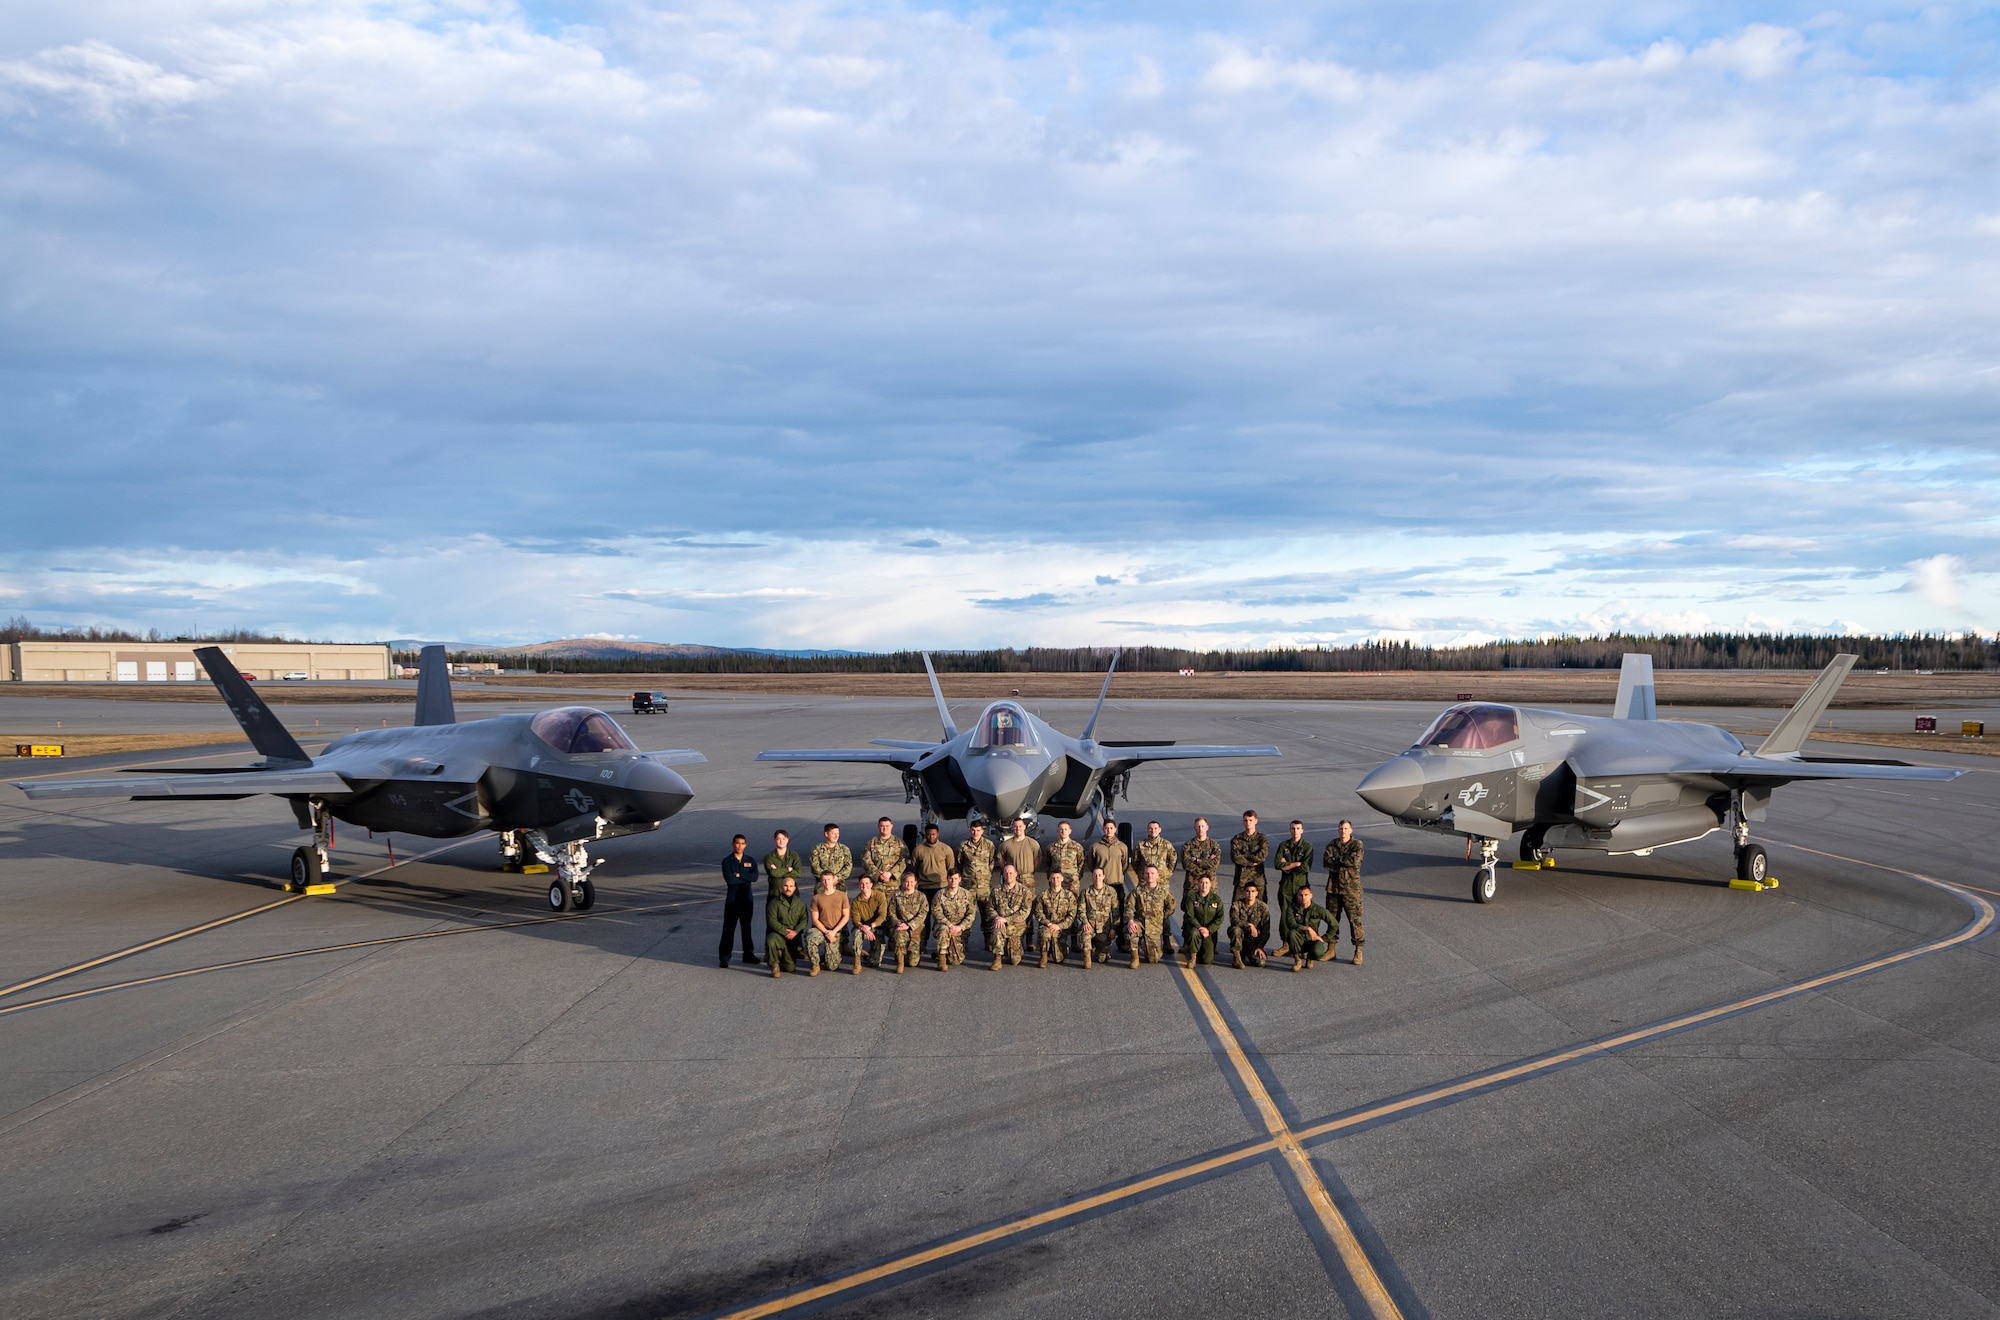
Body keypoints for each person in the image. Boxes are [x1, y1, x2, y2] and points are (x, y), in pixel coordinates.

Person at [1321, 819, 1366, 966]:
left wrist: (1337, 860)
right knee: (1332, 920)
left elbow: (1354, 862)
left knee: (1355, 920)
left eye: (1346, 829)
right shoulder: (1332, 844)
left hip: (1351, 890)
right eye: (1341, 828)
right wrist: (1344, 860)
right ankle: (1331, 949)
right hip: (1333, 889)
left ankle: (1358, 950)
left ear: (1351, 830)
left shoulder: (1357, 844)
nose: (1343, 831)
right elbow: (1326, 862)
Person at [719, 834, 760, 968]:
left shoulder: (750, 860)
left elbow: (754, 877)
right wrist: (745, 877)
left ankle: (748, 954)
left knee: (746, 928)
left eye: (742, 843)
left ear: (745, 845)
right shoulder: (727, 861)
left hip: (746, 899)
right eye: (737, 843)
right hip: (732, 900)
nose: (740, 846)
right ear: (733, 844)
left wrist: (740, 875)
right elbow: (730, 880)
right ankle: (724, 957)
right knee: (728, 929)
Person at [958, 821, 998, 951]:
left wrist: (985, 877)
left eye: (978, 830)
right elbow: (959, 863)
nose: (975, 833)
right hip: (968, 886)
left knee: (986, 915)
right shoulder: (963, 846)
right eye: (973, 830)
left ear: (982, 831)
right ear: (970, 830)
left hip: (983, 887)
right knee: (966, 915)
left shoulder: (989, 845)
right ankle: (963, 942)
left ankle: (988, 941)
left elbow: (991, 863)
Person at [1125, 864, 1173, 968]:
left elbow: (1171, 907)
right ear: (1144, 875)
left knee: (1153, 959)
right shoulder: (1137, 891)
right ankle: (1135, 958)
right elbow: (1129, 907)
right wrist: (1131, 921)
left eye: (1152, 873)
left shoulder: (1164, 893)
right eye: (1147, 873)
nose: (1149, 876)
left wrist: (1160, 917)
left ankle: (1150, 948)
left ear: (1157, 875)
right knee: (1132, 931)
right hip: (1140, 922)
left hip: (1154, 926)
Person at [930, 871, 978, 970]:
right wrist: (950, 925)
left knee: (955, 961)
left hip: (960, 928)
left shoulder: (967, 894)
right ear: (947, 879)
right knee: (943, 931)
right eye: (951, 878)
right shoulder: (940, 894)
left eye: (956, 878)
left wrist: (960, 927)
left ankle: (940, 950)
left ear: (960, 879)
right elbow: (936, 913)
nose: (953, 881)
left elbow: (971, 914)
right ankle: (941, 961)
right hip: (945, 926)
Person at [1283, 885, 1335, 972]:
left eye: (1306, 895)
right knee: (1291, 933)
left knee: (1318, 952)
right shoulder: (1292, 909)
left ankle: (1310, 958)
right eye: (1301, 895)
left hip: (1312, 939)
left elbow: (1334, 924)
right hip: (1298, 939)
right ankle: (1297, 960)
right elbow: (1290, 924)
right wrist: (1306, 928)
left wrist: (1324, 938)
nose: (1303, 897)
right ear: (1297, 896)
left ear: (1311, 895)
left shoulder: (1318, 909)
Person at [806, 873, 849, 976]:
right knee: (810, 937)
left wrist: (833, 932)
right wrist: (826, 932)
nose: (827, 882)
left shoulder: (842, 896)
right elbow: (815, 919)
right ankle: (815, 965)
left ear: (834, 880)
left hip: (836, 931)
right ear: (821, 882)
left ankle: (827, 956)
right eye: (824, 880)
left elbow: (846, 916)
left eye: (829, 879)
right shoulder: (816, 898)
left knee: (832, 966)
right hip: (822, 930)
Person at [765, 875, 808, 976]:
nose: (788, 888)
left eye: (790, 886)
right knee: (771, 940)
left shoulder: (800, 903)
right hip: (779, 934)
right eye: (785, 886)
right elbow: (772, 921)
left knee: (790, 968)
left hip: (793, 937)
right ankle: (774, 964)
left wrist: (796, 931)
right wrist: (784, 931)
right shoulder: (774, 903)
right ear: (781, 887)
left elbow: (804, 920)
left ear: (794, 888)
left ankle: (781, 955)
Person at [1078, 866, 1119, 968]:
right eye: (1095, 875)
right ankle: (1087, 959)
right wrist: (1085, 922)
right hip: (1090, 926)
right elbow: (1081, 910)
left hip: (1104, 928)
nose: (1097, 877)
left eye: (1099, 875)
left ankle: (1097, 947)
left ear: (1104, 876)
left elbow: (1115, 912)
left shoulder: (1111, 892)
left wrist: (1113, 929)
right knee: (1085, 935)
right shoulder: (1086, 892)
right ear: (1092, 876)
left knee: (1101, 959)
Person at [992, 865, 1033, 968]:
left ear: (1016, 875)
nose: (1008, 875)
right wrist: (997, 918)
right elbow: (989, 908)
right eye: (1006, 873)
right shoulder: (996, 890)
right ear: (1003, 875)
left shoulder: (1025, 892)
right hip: (1001, 924)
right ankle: (997, 959)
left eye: (1011, 873)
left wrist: (1006, 919)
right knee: (998, 929)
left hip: (1017, 926)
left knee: (1014, 961)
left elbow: (1025, 911)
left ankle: (1013, 946)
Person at [1034, 870, 1077, 967]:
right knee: (1045, 934)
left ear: (1062, 879)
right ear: (1049, 879)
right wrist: (1048, 924)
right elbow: (1038, 912)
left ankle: (1057, 948)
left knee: (1059, 959)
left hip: (1061, 928)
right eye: (1053, 878)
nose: (1055, 880)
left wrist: (1059, 926)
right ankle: (1043, 956)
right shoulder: (1043, 895)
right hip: (1047, 926)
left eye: (1058, 878)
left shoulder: (1069, 896)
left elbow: (1072, 916)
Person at [888, 872, 930, 973]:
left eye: (911, 882)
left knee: (912, 963)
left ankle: (906, 954)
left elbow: (923, 914)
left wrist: (909, 925)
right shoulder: (897, 895)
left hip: (915, 930)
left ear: (915, 882)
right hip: (900, 927)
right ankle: (900, 963)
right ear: (902, 882)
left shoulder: (921, 896)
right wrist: (898, 923)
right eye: (906, 882)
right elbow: (891, 912)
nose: (909, 884)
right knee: (899, 935)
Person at [849, 873, 889, 972]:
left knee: (874, 963)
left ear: (871, 884)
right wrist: (863, 928)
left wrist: (871, 926)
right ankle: (857, 963)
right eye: (862, 884)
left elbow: (882, 915)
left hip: (877, 926)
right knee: (856, 934)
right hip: (863, 928)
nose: (864, 886)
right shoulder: (856, 901)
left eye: (867, 883)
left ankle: (867, 954)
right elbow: (855, 919)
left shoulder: (880, 896)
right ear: (859, 885)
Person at [1229, 810, 1269, 905]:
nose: (1248, 823)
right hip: (1241, 880)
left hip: (1258, 879)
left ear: (1256, 821)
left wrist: (1245, 855)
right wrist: (1251, 863)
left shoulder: (1262, 839)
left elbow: (1261, 857)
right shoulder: (1237, 839)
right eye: (1246, 820)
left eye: (1250, 820)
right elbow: (1235, 857)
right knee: (1237, 907)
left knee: (1261, 908)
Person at [1181, 875, 1222, 968]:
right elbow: (1189, 915)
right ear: (1198, 884)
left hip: (1209, 931)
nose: (1204, 885)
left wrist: (1209, 929)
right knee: (1193, 933)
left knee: (1207, 960)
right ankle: (1193, 957)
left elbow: (1220, 917)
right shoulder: (1192, 898)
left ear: (1211, 884)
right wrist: (1199, 927)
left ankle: (1201, 952)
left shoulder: (1216, 899)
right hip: (1196, 927)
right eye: (1202, 883)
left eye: (1206, 883)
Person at [1182, 817, 1220, 909]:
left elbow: (1214, 864)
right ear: (1194, 828)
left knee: (1210, 910)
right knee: (1189, 911)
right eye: (1198, 826)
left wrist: (1196, 861)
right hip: (1192, 885)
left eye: (1202, 826)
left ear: (1207, 827)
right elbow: (1186, 864)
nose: (1200, 829)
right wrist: (1206, 862)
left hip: (1210, 885)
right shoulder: (1188, 845)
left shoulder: (1214, 845)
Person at [1229, 881, 1269, 969]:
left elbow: (1266, 930)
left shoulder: (1263, 907)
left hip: (1253, 940)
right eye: (1248, 891)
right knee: (1235, 929)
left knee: (1260, 962)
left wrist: (1260, 947)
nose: (1250, 893)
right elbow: (1234, 920)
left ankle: (1246, 952)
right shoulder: (1237, 905)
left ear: (1257, 893)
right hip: (1240, 937)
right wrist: (1249, 925)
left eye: (1253, 891)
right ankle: (1237, 956)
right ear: (1244, 892)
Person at [861, 817, 909, 890]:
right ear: (878, 826)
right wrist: (878, 874)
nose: (885, 828)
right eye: (882, 826)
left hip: (893, 885)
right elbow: (866, 861)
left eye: (887, 826)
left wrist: (890, 873)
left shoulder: (899, 843)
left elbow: (904, 860)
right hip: (876, 885)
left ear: (891, 826)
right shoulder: (871, 843)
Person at [1138, 819, 1178, 903]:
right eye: (1150, 828)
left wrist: (1168, 872)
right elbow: (1135, 861)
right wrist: (1142, 873)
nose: (1153, 830)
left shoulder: (1166, 844)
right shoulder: (1141, 845)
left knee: (1163, 904)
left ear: (1160, 829)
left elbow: (1173, 859)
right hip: (1145, 881)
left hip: (1162, 881)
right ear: (1147, 830)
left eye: (1155, 828)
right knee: (1145, 904)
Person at [809, 824, 854, 892]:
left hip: (839, 885)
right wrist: (827, 878)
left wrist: (837, 877)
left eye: (838, 833)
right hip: (822, 886)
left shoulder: (844, 849)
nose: (836, 836)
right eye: (833, 833)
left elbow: (848, 866)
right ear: (826, 834)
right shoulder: (817, 849)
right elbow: (814, 866)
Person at [913, 823, 954, 897]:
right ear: (925, 835)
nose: (931, 836)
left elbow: (950, 868)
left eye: (933, 834)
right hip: (924, 887)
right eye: (928, 834)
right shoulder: (918, 850)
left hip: (941, 886)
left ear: (938, 834)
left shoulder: (946, 849)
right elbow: (914, 868)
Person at [1000, 819, 1041, 891]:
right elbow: (1000, 858)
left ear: (1024, 827)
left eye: (1020, 826)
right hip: (1012, 878)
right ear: (1012, 827)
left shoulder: (1033, 843)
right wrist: (1006, 870)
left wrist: (1031, 872)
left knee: (1028, 901)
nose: (1018, 828)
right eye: (1015, 826)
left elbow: (1037, 858)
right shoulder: (1006, 844)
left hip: (1028, 879)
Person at [764, 829, 803, 901]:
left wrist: (778, 871)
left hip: (792, 893)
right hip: (775, 893)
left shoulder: (794, 856)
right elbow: (773, 873)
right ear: (774, 840)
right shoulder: (769, 857)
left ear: (787, 840)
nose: (781, 841)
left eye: (783, 839)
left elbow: (798, 873)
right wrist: (788, 869)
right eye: (778, 839)